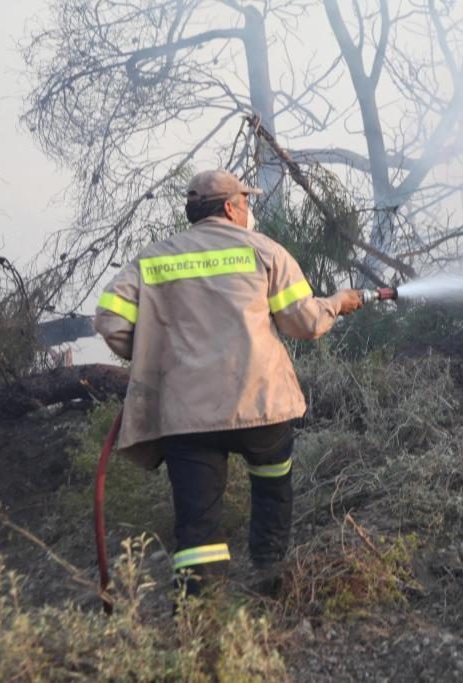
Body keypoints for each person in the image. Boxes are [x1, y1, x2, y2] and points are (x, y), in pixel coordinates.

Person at [93, 169, 364, 597]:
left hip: (188, 416)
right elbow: (306, 322)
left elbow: (109, 318)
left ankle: (202, 616)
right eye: (246, 202)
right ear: (230, 207)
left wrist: (151, 353)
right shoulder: (264, 251)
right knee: (273, 489)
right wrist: (338, 303)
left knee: (197, 522)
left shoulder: (152, 260)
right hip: (262, 406)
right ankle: (268, 583)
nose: (248, 210)